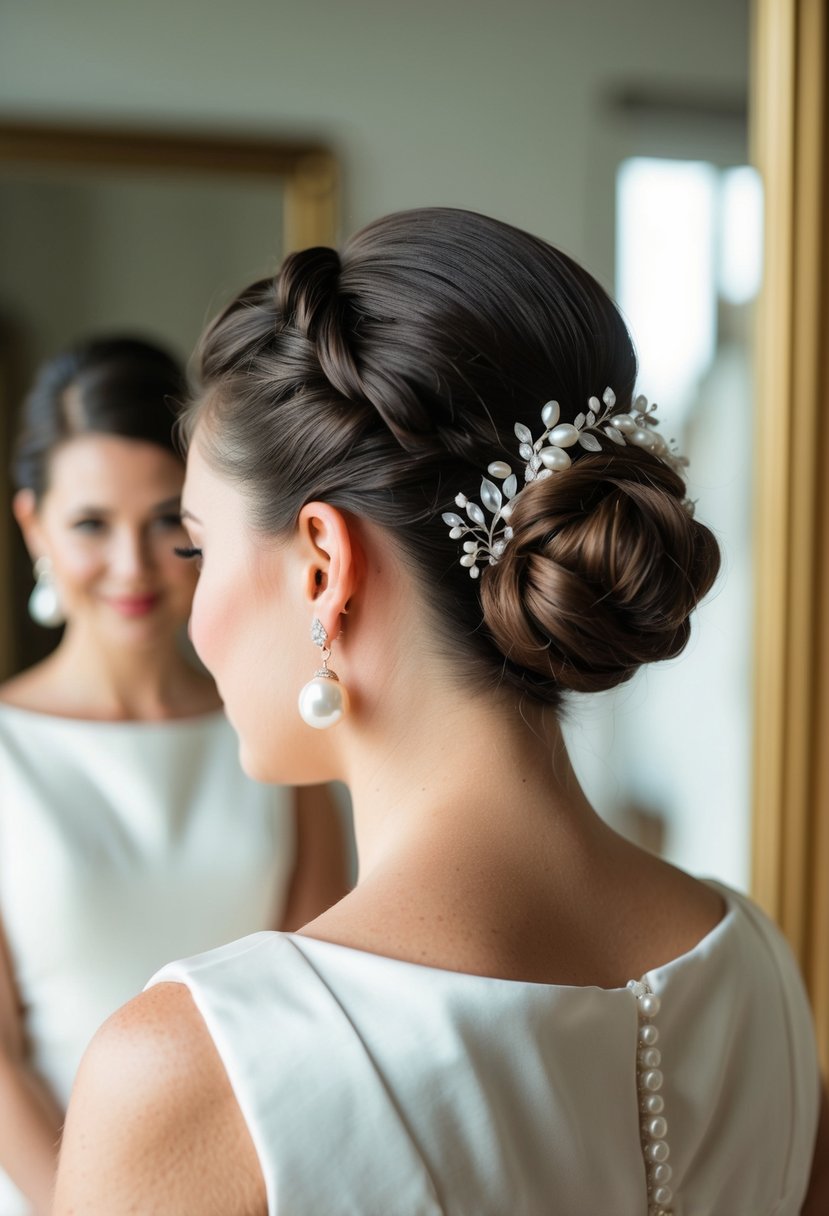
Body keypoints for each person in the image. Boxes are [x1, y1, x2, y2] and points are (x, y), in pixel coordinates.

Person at [54, 211, 827, 1215]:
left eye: (198, 548)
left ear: (323, 566)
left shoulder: (198, 1071)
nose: (192, 613)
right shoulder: (758, 967)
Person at [0, 336, 349, 1216]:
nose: (132, 566)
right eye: (91, 525)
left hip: (261, 1184)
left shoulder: (282, 733)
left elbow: (313, 999)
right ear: (33, 524)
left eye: (166, 522)